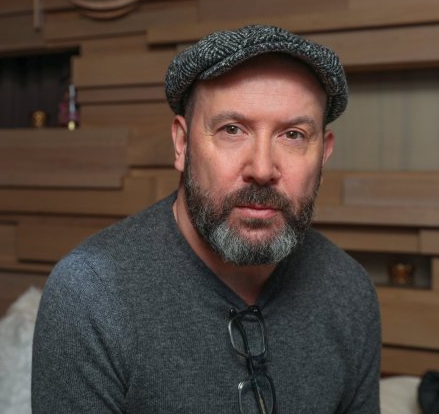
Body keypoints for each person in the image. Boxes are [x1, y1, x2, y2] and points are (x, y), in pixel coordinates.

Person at [32, 25, 381, 413]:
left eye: (293, 135)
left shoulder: (349, 292)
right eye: (232, 130)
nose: (262, 168)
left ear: (324, 154)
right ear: (182, 145)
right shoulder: (92, 295)